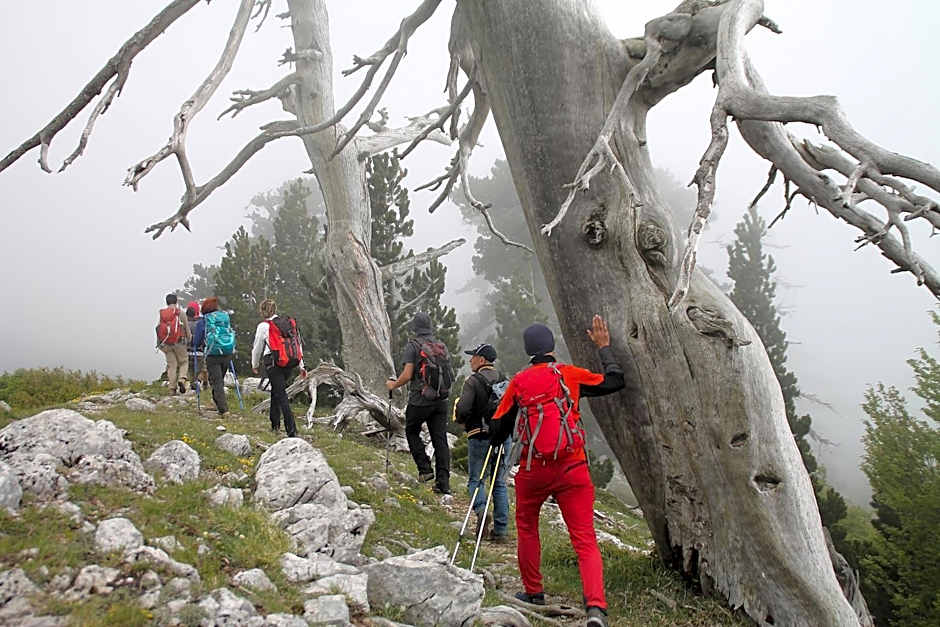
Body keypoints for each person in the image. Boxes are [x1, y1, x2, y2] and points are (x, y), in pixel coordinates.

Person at [489, 315, 625, 627]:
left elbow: (497, 430)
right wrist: (604, 347)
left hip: (534, 469)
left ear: (528, 351)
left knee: (527, 526)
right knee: (584, 538)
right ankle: (596, 608)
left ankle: (534, 592)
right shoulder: (570, 375)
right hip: (572, 467)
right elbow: (615, 381)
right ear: (551, 347)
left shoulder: (519, 382)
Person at [386, 312, 454, 495]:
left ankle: (425, 469)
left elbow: (407, 375)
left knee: (411, 431)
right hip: (441, 400)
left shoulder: (413, 346)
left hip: (420, 400)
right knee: (440, 440)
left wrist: (393, 385)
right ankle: (443, 484)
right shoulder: (441, 346)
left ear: (414, 328)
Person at [454, 343, 511, 543]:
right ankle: (501, 531)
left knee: (476, 480)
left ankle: (481, 510)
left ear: (481, 359)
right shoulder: (504, 380)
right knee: (499, 482)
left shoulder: (473, 381)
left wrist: (462, 421)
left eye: (473, 357)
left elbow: (463, 409)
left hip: (479, 435)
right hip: (503, 437)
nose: (470, 360)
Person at [251, 299, 306, 438]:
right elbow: (297, 343)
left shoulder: (264, 326)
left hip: (273, 363)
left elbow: (257, 348)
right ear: (275, 310)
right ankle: (274, 424)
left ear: (262, 311)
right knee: (276, 391)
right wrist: (301, 365)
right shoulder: (287, 323)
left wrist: (255, 365)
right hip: (289, 362)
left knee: (281, 395)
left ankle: (291, 430)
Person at [194, 297, 235, 416]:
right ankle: (217, 403)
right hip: (227, 351)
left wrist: (196, 345)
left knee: (217, 382)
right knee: (219, 380)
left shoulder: (205, 320)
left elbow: (197, 340)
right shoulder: (224, 317)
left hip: (212, 354)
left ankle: (223, 409)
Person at [156, 293, 191, 395]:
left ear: (167, 302)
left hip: (166, 343)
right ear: (176, 301)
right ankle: (182, 379)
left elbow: (158, 328)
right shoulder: (180, 313)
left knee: (172, 366)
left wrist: (159, 344)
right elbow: (186, 328)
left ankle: (172, 389)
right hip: (179, 342)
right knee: (184, 362)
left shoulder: (162, 314)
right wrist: (189, 339)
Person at [185, 301, 207, 391]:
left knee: (190, 370)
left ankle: (192, 384)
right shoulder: (202, 322)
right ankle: (200, 382)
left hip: (187, 351)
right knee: (202, 369)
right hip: (199, 351)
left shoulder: (184, 324)